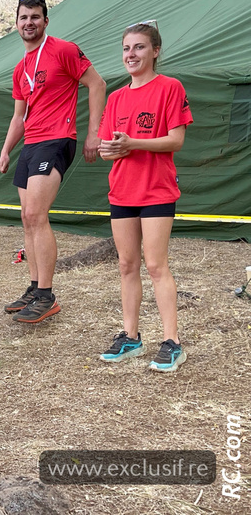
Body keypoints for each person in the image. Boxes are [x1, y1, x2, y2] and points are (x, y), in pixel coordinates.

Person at [0, 0, 106, 323]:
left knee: (36, 214)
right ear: (16, 24)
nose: (29, 22)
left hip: (58, 139)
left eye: (35, 17)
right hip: (31, 144)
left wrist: (94, 133)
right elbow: (19, 117)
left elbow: (97, 84)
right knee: (27, 218)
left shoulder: (64, 50)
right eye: (23, 17)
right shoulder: (20, 69)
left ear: (46, 20)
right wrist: (5, 150)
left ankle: (47, 295)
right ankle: (33, 288)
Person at [97, 21, 192, 373]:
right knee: (126, 265)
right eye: (126, 48)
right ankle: (130, 336)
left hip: (156, 189)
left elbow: (176, 140)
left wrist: (133, 143)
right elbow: (108, 147)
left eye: (138, 47)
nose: (131, 54)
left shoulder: (170, 87)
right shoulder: (117, 97)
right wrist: (111, 149)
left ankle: (172, 343)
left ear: (155, 51)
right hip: (122, 190)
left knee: (155, 265)